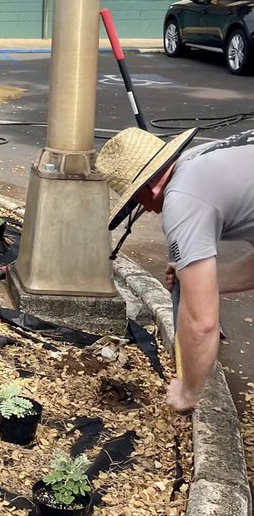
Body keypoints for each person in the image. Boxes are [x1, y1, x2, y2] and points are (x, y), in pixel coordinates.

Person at [97, 126, 254, 412]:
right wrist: (201, 280)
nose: (145, 209)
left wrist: (188, 391)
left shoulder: (182, 200)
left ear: (150, 187)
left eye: (135, 201)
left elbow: (202, 323)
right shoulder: (198, 160)